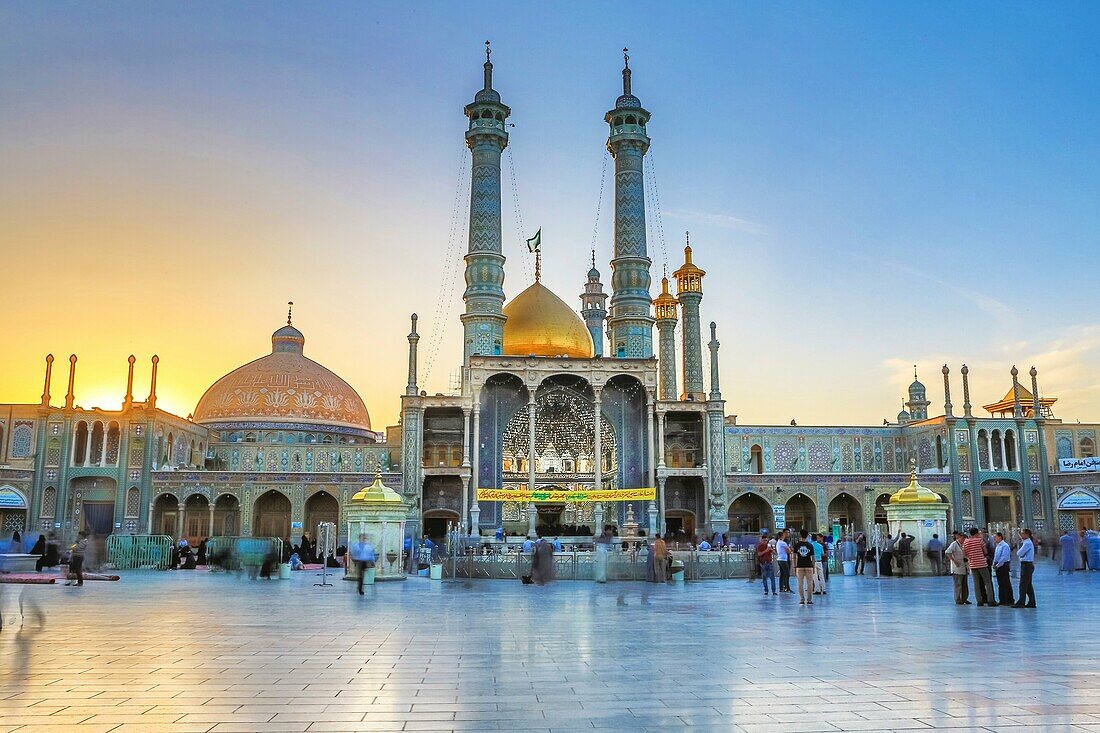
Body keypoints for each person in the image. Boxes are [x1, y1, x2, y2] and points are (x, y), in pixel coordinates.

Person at [964, 528, 996, 606]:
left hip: (973, 564)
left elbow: (964, 553)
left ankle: (979, 601)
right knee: (987, 582)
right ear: (976, 533)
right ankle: (990, 600)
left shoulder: (966, 542)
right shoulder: (979, 540)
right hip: (982, 563)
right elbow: (985, 551)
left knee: (976, 583)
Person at [1013, 528, 1037, 608]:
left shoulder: (1027, 543)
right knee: (1028, 585)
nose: (1021, 535)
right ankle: (1031, 602)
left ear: (1027, 534)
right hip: (1027, 565)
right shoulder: (1026, 542)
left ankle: (1021, 601)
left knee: (1023, 584)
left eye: (1023, 533)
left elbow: (1019, 553)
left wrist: (1020, 554)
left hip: (1026, 565)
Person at [945, 531, 969, 604]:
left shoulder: (964, 544)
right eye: (962, 538)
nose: (963, 539)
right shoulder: (954, 544)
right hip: (957, 567)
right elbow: (947, 552)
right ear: (958, 538)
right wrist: (954, 561)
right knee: (958, 584)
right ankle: (958, 599)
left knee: (965, 584)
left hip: (964, 567)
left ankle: (964, 598)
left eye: (964, 538)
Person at [793, 530, 816, 605]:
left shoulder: (796, 545)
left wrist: (794, 566)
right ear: (807, 536)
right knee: (810, 583)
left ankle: (802, 599)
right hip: (809, 566)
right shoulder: (810, 545)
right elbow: (813, 557)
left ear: (800, 535)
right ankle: (809, 600)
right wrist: (813, 566)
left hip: (799, 566)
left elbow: (794, 556)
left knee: (800, 583)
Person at [992, 532, 1014, 607]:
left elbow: (1004, 557)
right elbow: (996, 556)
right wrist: (994, 563)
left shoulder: (1005, 546)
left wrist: (998, 565)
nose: (994, 538)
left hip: (1003, 565)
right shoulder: (998, 546)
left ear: (1000, 537)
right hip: (998, 565)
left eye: (996, 537)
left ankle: (1009, 599)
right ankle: (1002, 600)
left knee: (1006, 582)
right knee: (1000, 583)